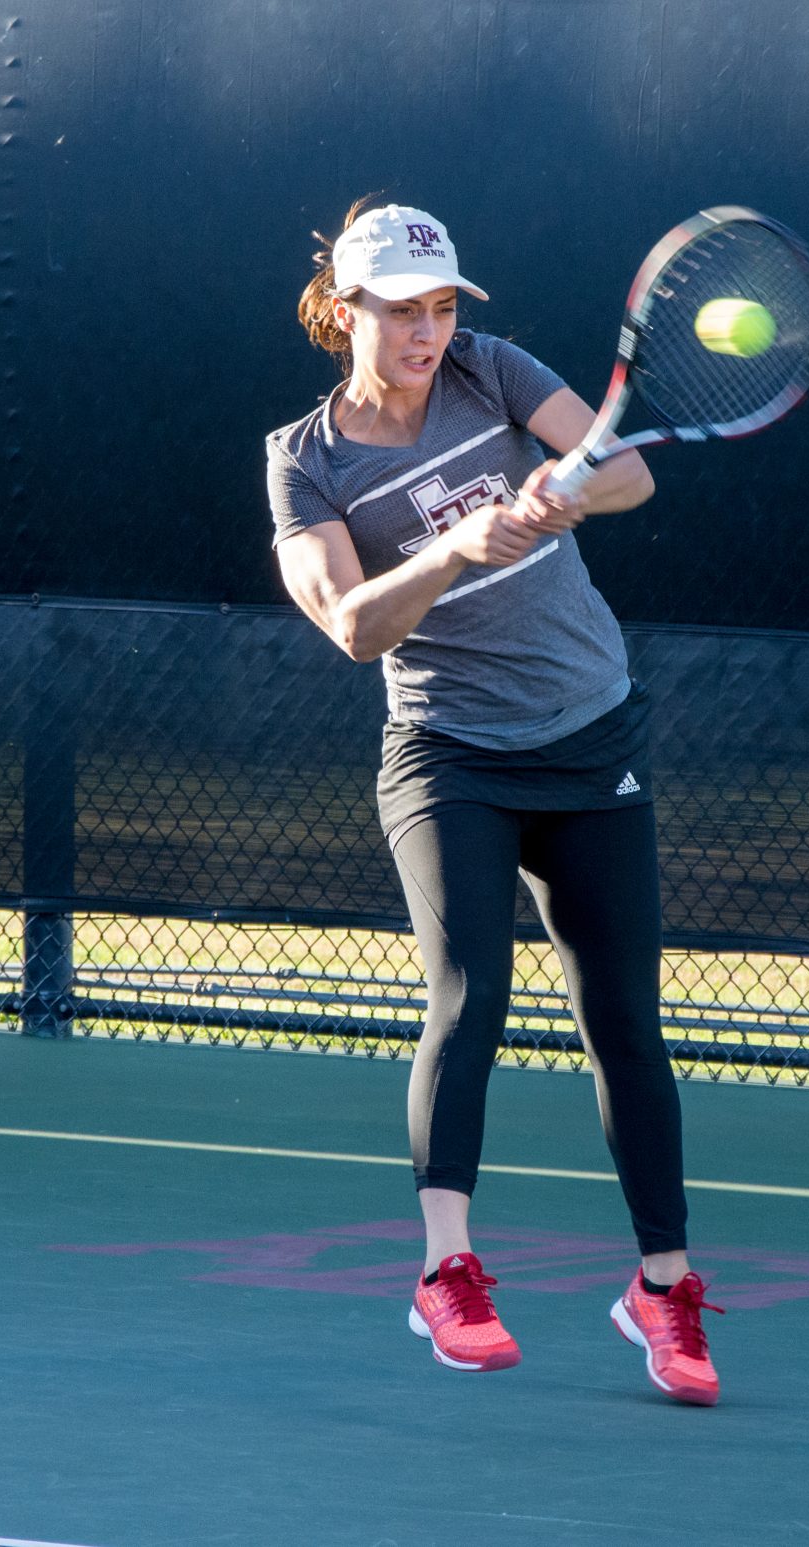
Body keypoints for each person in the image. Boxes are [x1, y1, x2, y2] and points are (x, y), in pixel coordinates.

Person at [264, 200, 722, 1405]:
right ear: (343, 312)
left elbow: (623, 477)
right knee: (471, 995)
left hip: (587, 736)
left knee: (626, 1022)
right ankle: (445, 1270)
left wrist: (563, 498)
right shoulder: (306, 460)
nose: (427, 330)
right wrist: (458, 547)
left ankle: (664, 1293)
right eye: (402, 311)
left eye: (441, 306)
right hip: (447, 756)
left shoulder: (495, 371)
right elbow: (353, 627)